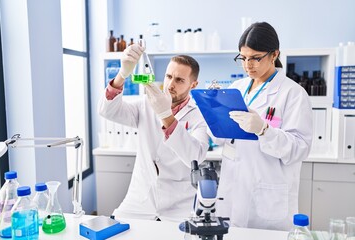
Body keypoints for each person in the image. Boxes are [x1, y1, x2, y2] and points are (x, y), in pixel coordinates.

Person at [210, 22, 313, 231]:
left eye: (256, 58)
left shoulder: (292, 94)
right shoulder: (236, 88)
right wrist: (213, 114)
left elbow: (299, 149)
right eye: (243, 58)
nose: (248, 65)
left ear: (274, 54)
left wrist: (264, 130)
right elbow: (222, 140)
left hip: (267, 196)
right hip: (233, 191)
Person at [98, 44, 209, 222]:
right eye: (169, 76)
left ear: (193, 84)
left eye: (179, 80)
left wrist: (166, 115)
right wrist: (122, 75)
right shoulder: (146, 104)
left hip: (178, 206)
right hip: (139, 200)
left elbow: (195, 156)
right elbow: (108, 111)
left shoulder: (200, 115)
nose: (171, 85)